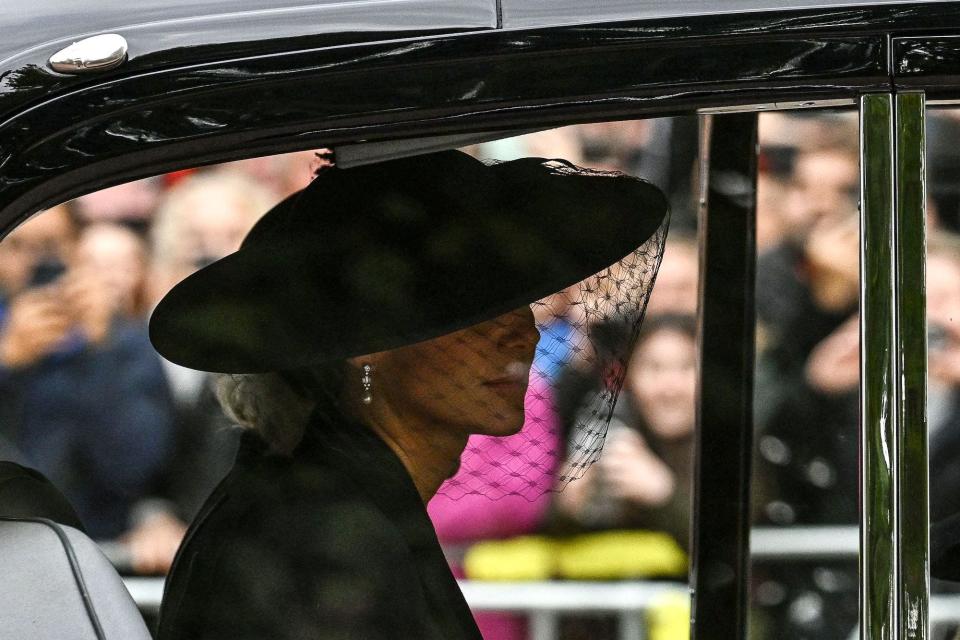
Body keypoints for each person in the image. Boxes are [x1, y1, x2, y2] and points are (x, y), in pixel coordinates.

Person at [149, 150, 668, 639]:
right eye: (467, 306)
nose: (521, 332)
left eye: (515, 297)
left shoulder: (330, 501)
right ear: (361, 341)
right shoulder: (321, 544)